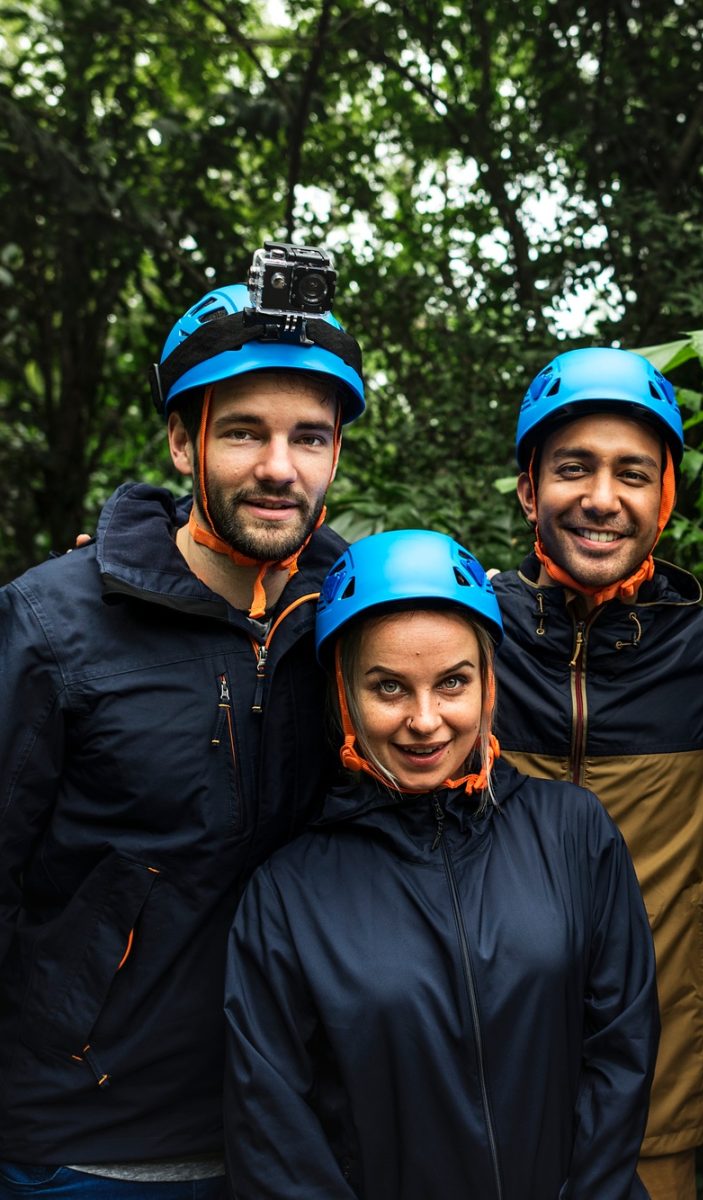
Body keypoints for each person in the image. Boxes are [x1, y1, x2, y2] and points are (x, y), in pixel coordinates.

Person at [0, 250, 364, 1197]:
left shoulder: (356, 622)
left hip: (291, 1134)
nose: (280, 469)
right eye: (243, 433)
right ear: (179, 440)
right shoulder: (51, 625)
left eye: (311, 437)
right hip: (87, 1147)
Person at [223, 529, 659, 1199]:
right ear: (344, 695)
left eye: (452, 682)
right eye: (389, 687)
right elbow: (275, 1136)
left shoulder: (574, 831)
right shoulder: (288, 895)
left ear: (488, 682)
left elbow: (621, 1050)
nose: (425, 721)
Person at [490, 348, 703, 1200]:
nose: (602, 498)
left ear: (666, 494)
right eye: (573, 469)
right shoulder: (467, 641)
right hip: (477, 1087)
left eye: (633, 473)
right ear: (529, 490)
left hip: (659, 1102)